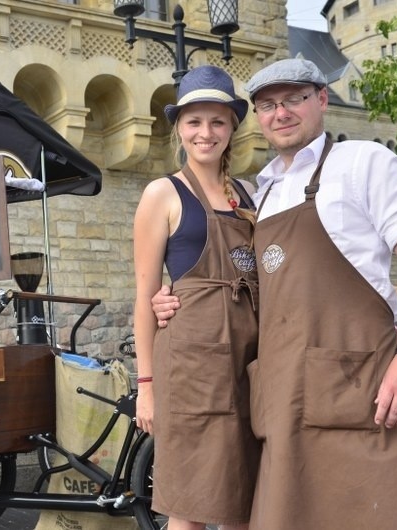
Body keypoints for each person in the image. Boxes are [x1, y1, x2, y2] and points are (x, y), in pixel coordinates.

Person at [151, 58, 397, 529]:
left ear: (321, 100)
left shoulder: (362, 161)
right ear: (259, 119)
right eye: (268, 105)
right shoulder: (262, 192)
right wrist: (172, 292)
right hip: (283, 397)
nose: (280, 113)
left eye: (293, 99)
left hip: (360, 388)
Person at [133, 65, 261, 530]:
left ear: (232, 128)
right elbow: (145, 298)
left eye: (217, 122)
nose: (206, 133)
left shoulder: (249, 195)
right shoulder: (162, 194)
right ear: (179, 129)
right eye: (194, 122)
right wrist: (145, 387)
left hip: (250, 364)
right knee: (190, 506)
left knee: (246, 500)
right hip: (192, 370)